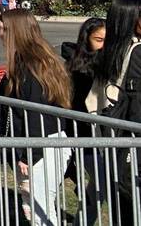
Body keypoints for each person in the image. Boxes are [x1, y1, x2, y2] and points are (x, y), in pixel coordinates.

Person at [0, 9, 73, 226]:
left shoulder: (32, 67)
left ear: (14, 32)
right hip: (35, 145)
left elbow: (36, 113)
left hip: (41, 146)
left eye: (1, 29)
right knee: (32, 207)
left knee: (41, 210)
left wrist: (30, 154)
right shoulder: (26, 63)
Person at [88, 0, 141, 226]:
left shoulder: (112, 50)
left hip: (116, 140)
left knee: (124, 205)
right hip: (133, 141)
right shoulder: (137, 52)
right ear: (132, 19)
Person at [61, 17, 107, 225]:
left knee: (100, 182)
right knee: (100, 181)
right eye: (99, 39)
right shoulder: (76, 69)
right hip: (82, 136)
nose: (103, 45)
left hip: (98, 137)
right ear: (86, 39)